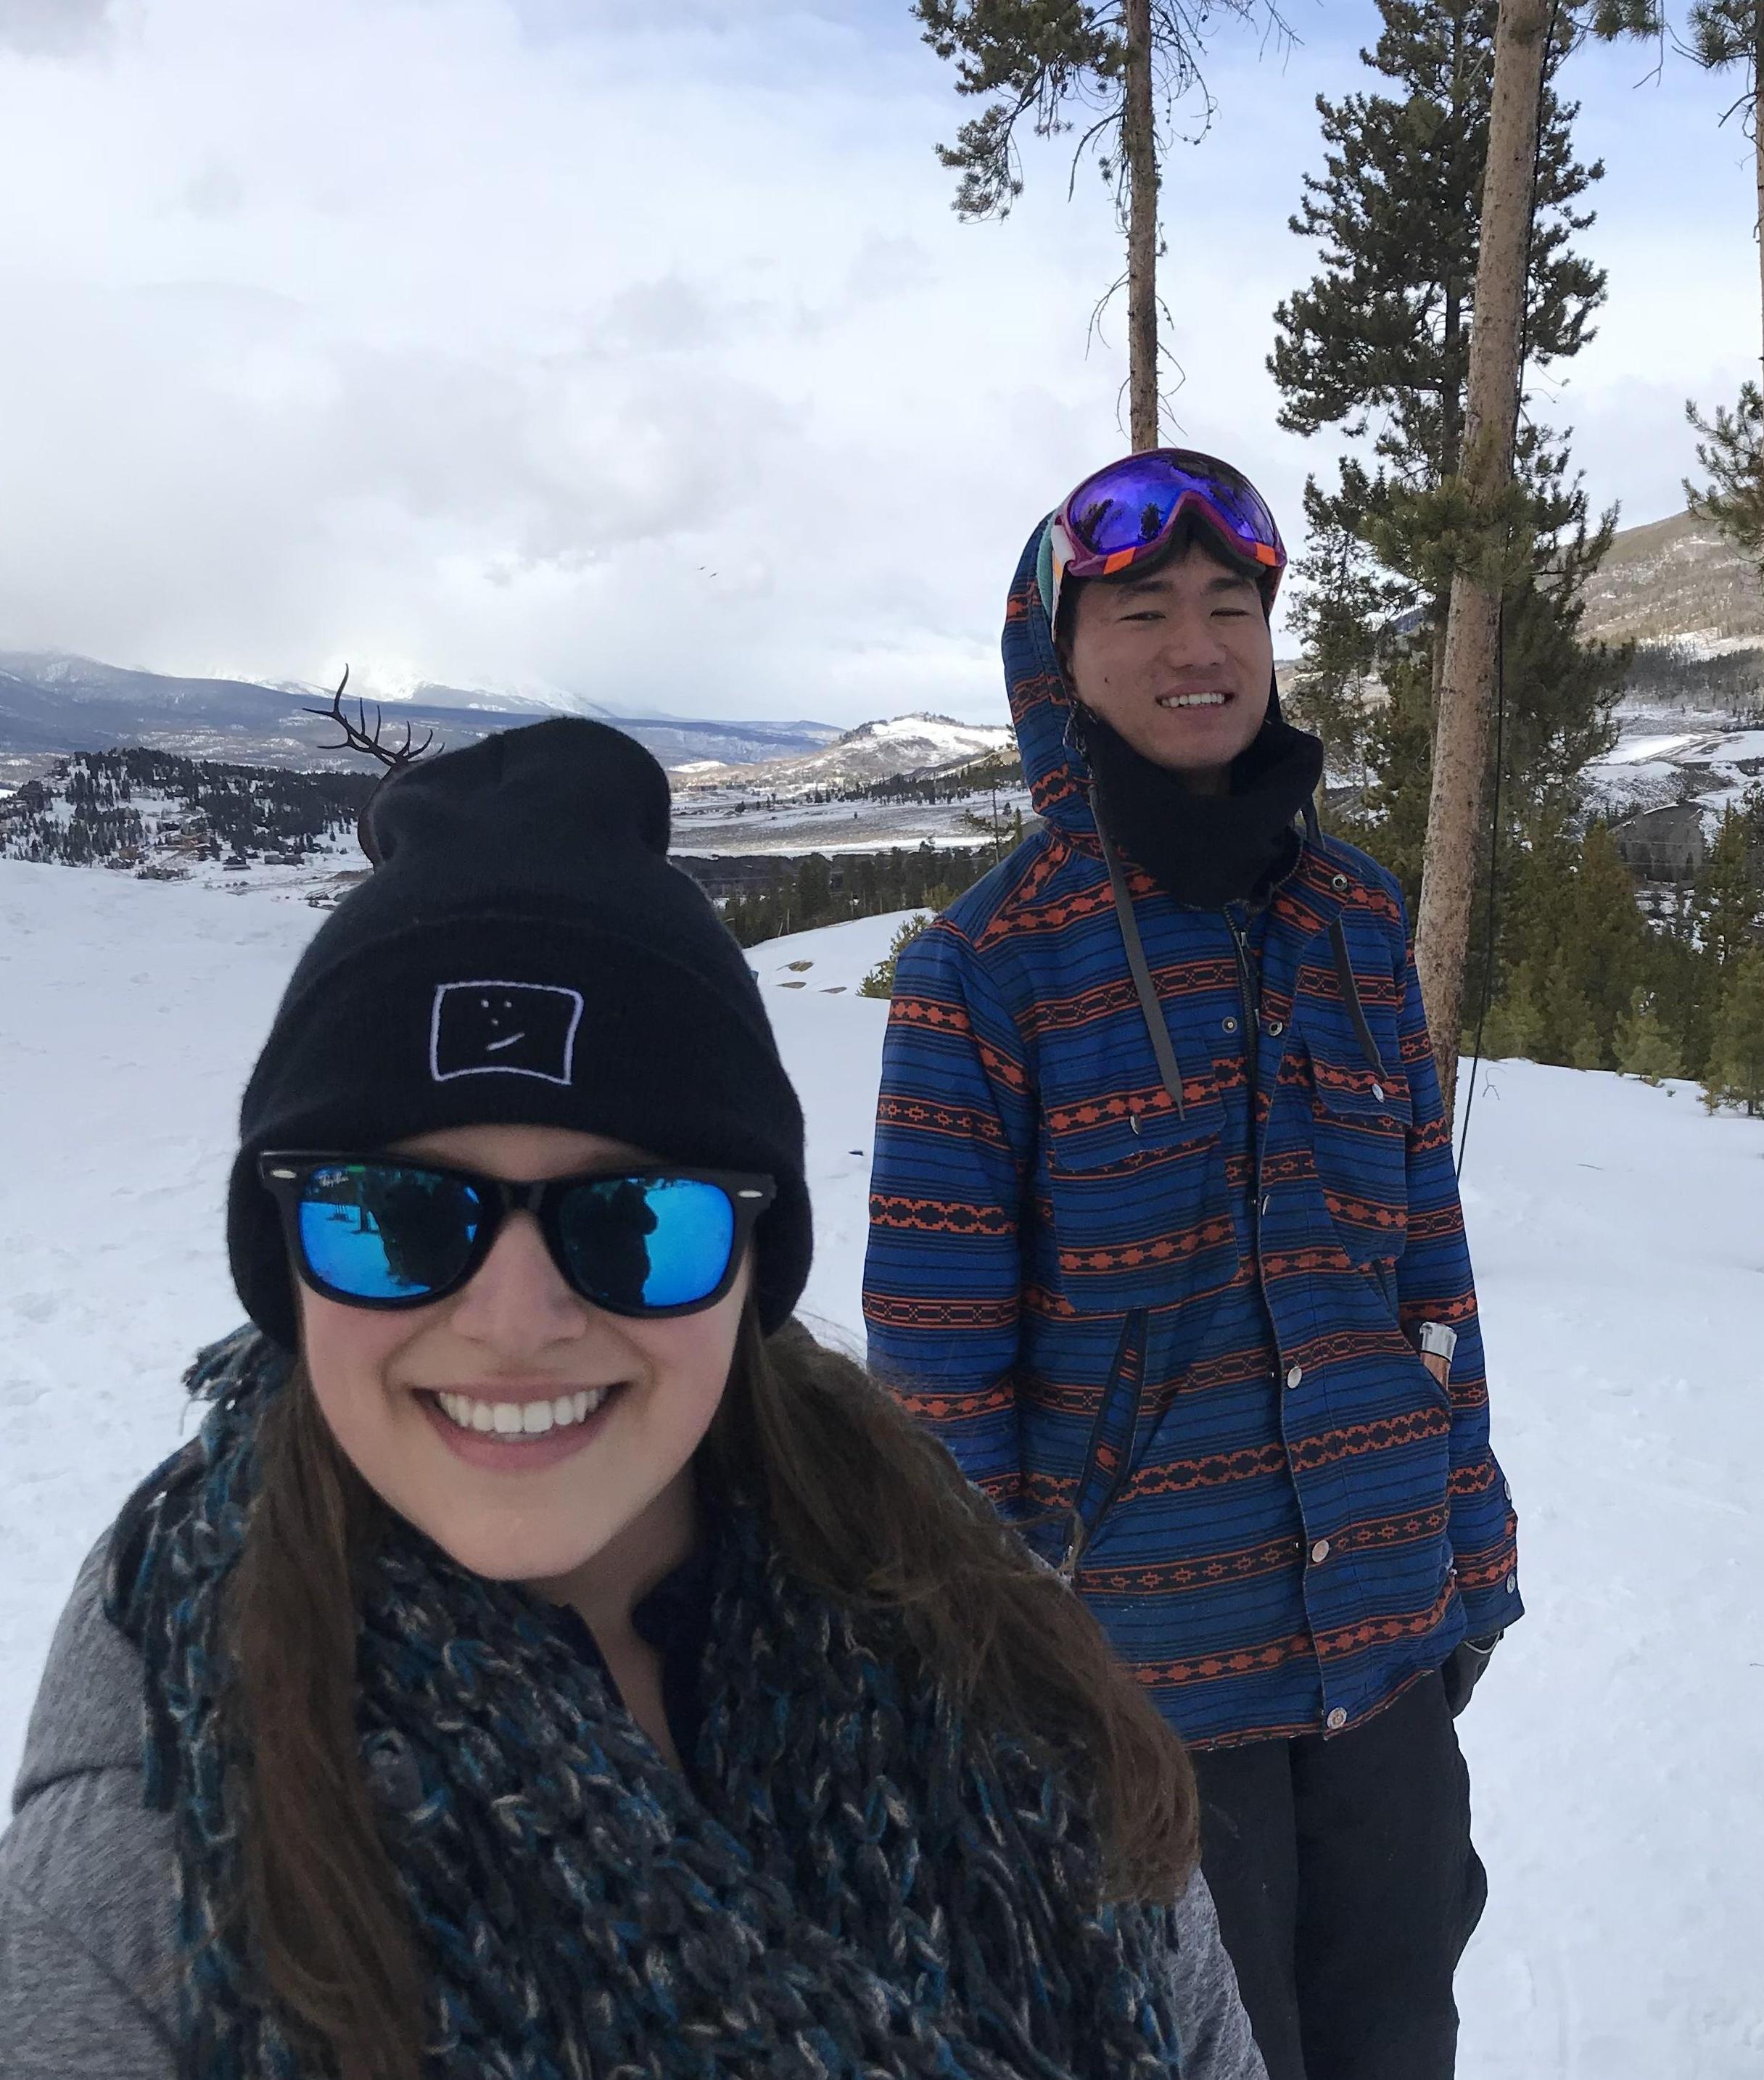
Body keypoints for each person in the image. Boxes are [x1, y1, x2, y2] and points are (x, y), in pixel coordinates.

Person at [0, 718, 1266, 2080]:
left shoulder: (989, 1647)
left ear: (747, 1268)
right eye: (396, 1216)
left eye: (637, 1219)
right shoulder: (140, 1874)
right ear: (285, 1265)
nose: (517, 1322)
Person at [865, 450, 1523, 2080]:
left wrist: (1473, 1564)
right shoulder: (987, 970)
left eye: (1232, 604)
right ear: (1059, 658)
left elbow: (1427, 1273)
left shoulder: (1361, 926)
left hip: (1386, 1654)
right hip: (1139, 1682)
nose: (1198, 643)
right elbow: (941, 1383)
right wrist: (998, 1670)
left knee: (1394, 2040)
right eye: (1144, 608)